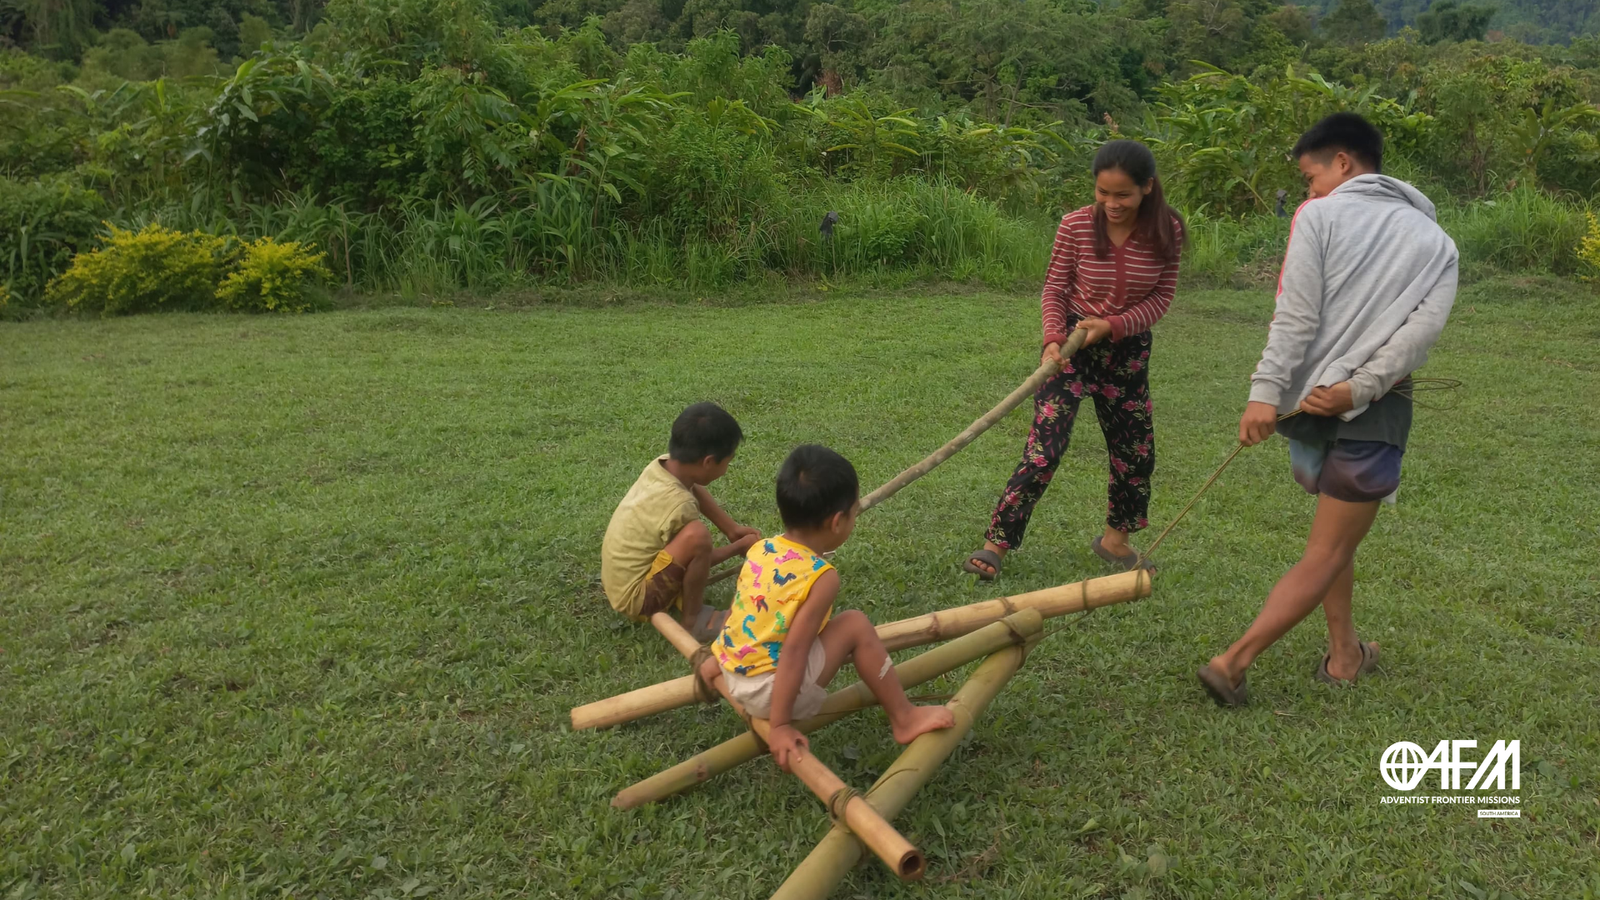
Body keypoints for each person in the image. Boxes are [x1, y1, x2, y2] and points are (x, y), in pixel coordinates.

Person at [1198, 113, 1458, 707]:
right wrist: (1361, 388)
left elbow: (1296, 314)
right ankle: (1233, 662)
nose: (1309, 189)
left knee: (1332, 539)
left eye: (1311, 175)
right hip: (1375, 410)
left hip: (1311, 404)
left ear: (1343, 163)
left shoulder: (1318, 216)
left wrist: (1267, 392)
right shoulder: (1438, 243)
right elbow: (1418, 338)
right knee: (1332, 545)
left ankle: (1345, 656)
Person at [964, 139, 1185, 580]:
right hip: (1069, 347)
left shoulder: (1168, 230)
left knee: (1134, 451)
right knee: (1044, 449)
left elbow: (1162, 296)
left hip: (1126, 351)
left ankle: (1115, 542)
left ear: (1146, 188)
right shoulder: (1076, 225)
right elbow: (1054, 288)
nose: (1111, 203)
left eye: (1122, 194)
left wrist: (1115, 326)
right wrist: (1053, 340)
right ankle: (996, 545)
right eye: (1103, 192)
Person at [703, 444, 954, 771]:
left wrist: (718, 659)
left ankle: (728, 667)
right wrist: (779, 726)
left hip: (733, 674)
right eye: (854, 511)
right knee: (854, 625)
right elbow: (793, 651)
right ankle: (904, 717)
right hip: (769, 694)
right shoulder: (822, 578)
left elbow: (744, 614)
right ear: (837, 521)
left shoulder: (761, 550)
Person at [600, 402, 761, 641]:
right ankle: (692, 619)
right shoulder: (679, 506)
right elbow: (699, 556)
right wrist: (738, 547)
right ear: (708, 462)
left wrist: (731, 529)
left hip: (617, 584)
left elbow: (692, 487)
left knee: (694, 536)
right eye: (728, 461)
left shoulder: (663, 466)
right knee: (697, 536)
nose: (727, 469)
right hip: (637, 600)